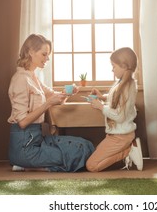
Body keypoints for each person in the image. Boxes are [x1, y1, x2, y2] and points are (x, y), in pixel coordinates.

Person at [7, 34, 94, 172]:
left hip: (37, 139)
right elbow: (22, 122)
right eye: (44, 54)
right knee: (73, 154)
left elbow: (54, 96)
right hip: (25, 145)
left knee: (84, 146)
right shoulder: (20, 79)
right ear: (30, 52)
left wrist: (69, 93)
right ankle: (27, 164)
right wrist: (48, 104)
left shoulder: (33, 76)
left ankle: (31, 167)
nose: (47, 58)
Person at [86, 47, 143, 172]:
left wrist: (100, 106)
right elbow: (118, 100)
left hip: (120, 136)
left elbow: (120, 116)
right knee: (96, 158)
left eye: (114, 66)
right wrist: (102, 97)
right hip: (117, 135)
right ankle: (128, 150)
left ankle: (128, 151)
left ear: (123, 66)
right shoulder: (124, 83)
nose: (112, 69)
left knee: (91, 166)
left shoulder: (126, 87)